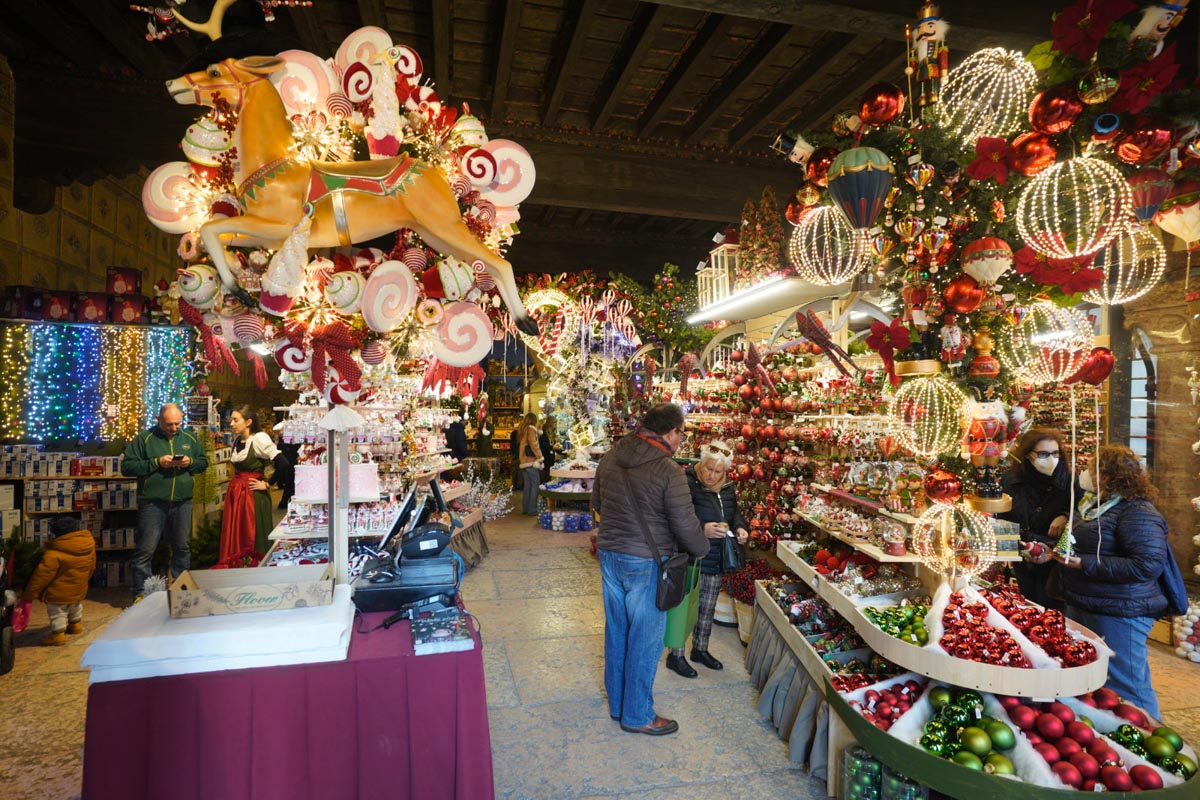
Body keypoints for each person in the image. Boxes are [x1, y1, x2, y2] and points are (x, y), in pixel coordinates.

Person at [594, 403, 709, 736]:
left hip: (610, 554)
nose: (681, 440)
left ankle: (619, 705)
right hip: (646, 562)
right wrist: (702, 547)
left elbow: (598, 504)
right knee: (645, 639)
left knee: (617, 631)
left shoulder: (611, 457)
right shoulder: (669, 471)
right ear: (671, 432)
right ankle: (638, 714)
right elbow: (684, 524)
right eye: (682, 434)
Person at [1053, 445, 1170, 720]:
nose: (1085, 474)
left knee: (1127, 684)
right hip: (1086, 602)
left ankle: (1152, 734)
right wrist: (1052, 551)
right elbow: (1079, 541)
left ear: (1106, 475)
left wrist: (1084, 564)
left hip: (1120, 610)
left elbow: (1146, 565)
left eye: (1090, 468)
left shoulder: (1138, 512)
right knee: (1094, 676)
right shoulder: (1093, 506)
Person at [666, 440, 748, 678]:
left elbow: (734, 514)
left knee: (707, 607)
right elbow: (677, 517)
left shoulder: (727, 487)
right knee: (683, 607)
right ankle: (675, 655)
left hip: (715, 556)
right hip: (688, 555)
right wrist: (702, 529)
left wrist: (740, 528)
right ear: (700, 464)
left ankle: (700, 649)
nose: (711, 476)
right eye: (708, 469)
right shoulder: (685, 483)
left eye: (718, 472)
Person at [122, 403, 208, 598]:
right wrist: (156, 463)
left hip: (183, 502)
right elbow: (127, 467)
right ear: (158, 420)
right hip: (152, 503)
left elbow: (203, 462)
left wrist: (190, 462)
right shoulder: (144, 439)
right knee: (146, 550)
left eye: (178, 423)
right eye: (169, 424)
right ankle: (142, 594)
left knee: (182, 548)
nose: (174, 428)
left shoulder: (190, 438)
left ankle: (181, 593)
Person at [999, 428, 1073, 611]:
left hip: (1054, 562)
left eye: (1055, 453)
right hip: (1023, 559)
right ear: (1027, 454)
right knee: (1027, 609)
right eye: (1043, 454)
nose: (1051, 459)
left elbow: (1081, 516)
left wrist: (1065, 516)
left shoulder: (1070, 482)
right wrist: (1013, 550)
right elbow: (1004, 518)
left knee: (1051, 612)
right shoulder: (1011, 480)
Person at [222, 406, 289, 560]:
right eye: (231, 420)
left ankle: (256, 562)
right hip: (237, 495)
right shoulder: (238, 440)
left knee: (254, 531)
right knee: (238, 532)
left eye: (235, 420)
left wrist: (267, 484)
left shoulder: (259, 439)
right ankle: (238, 562)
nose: (231, 424)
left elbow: (283, 463)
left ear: (248, 422)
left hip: (253, 496)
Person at [20, 515, 96, 646]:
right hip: (79, 587)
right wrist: (84, 580)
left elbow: (41, 576)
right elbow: (92, 567)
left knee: (57, 611)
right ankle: (75, 624)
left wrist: (29, 594)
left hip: (58, 592)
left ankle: (58, 635)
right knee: (75, 605)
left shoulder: (53, 554)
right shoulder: (88, 547)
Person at [516, 413, 542, 515]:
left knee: (527, 486)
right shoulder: (531, 429)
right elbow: (533, 444)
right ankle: (532, 509)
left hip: (523, 461)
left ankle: (526, 508)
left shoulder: (523, 430)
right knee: (535, 485)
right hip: (531, 461)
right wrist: (540, 457)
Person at [538, 419, 556, 483]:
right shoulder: (543, 434)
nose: (556, 425)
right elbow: (542, 445)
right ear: (550, 424)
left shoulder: (552, 434)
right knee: (544, 478)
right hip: (545, 459)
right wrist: (552, 447)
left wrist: (565, 452)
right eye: (554, 423)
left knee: (548, 478)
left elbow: (554, 447)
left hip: (551, 459)